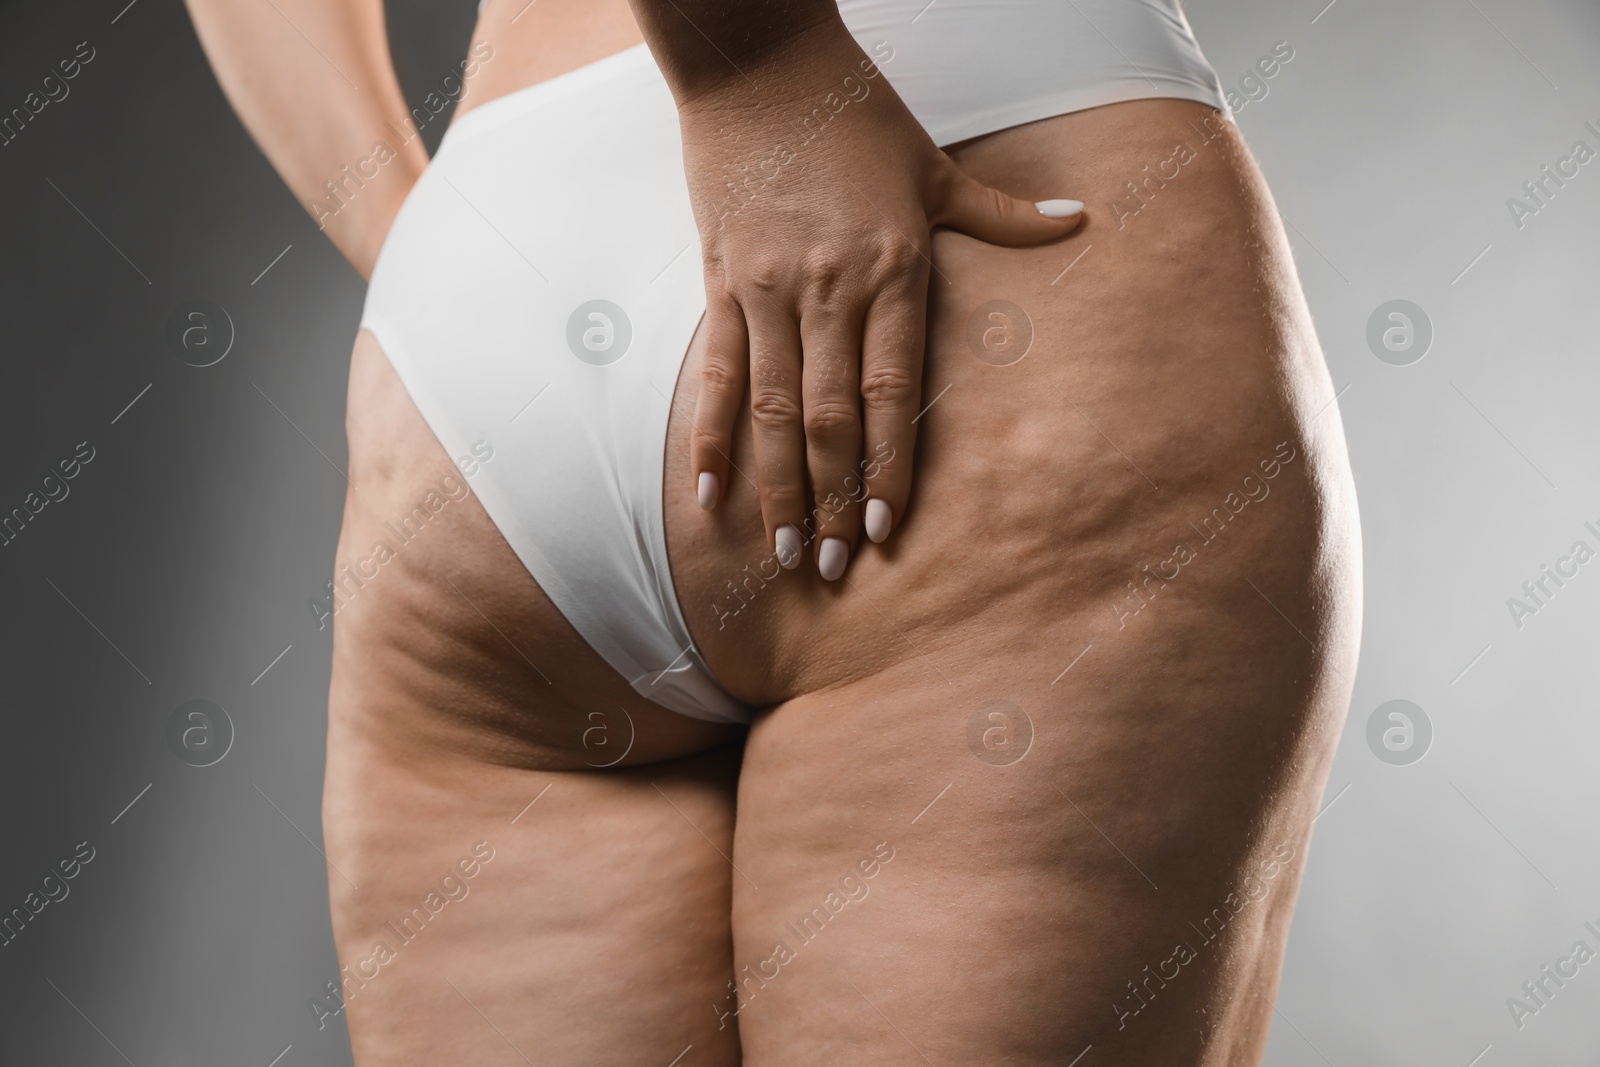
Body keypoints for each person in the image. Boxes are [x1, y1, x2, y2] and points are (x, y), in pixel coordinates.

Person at [186, 0, 1362, 1062]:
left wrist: (435, 264)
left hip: (487, 302)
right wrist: (762, 69)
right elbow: (761, 71)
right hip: (960, 142)